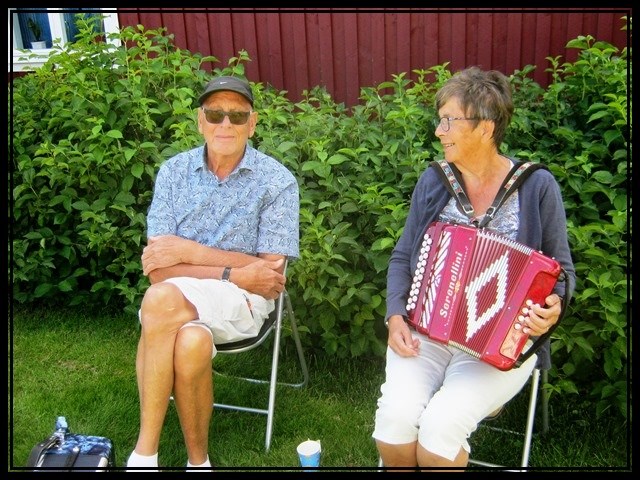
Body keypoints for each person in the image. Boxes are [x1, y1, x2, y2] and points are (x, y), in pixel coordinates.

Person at [372, 66, 575, 470]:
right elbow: (402, 255)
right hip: (425, 332)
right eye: (440, 120)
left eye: (449, 120)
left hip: (499, 345)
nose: (439, 131)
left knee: (440, 429)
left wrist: (553, 306)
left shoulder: (536, 186)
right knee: (393, 423)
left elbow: (563, 274)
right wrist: (395, 316)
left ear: (485, 127)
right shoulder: (435, 181)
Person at [126, 75, 299, 471]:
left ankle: (144, 454)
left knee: (160, 302)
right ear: (200, 121)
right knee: (188, 339)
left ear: (252, 124)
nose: (225, 124)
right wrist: (235, 270)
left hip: (245, 299)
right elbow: (158, 270)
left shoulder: (277, 181)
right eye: (215, 114)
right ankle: (198, 461)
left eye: (237, 116)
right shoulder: (173, 172)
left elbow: (270, 272)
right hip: (195, 290)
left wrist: (188, 252)